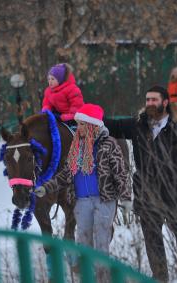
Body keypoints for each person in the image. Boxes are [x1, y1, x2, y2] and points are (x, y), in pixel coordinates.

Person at [104, 86, 177, 283]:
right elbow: (113, 126)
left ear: (165, 102)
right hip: (147, 193)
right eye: (147, 100)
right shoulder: (138, 124)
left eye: (154, 100)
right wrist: (88, 112)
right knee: (152, 240)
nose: (149, 103)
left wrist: (172, 161)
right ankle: (160, 277)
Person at [34, 103, 132, 280]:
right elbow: (66, 174)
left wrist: (125, 198)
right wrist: (46, 188)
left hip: (104, 200)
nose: (77, 127)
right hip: (81, 202)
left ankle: (103, 279)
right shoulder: (76, 148)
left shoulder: (108, 144)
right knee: (83, 244)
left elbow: (120, 173)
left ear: (92, 125)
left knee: (101, 244)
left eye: (80, 124)